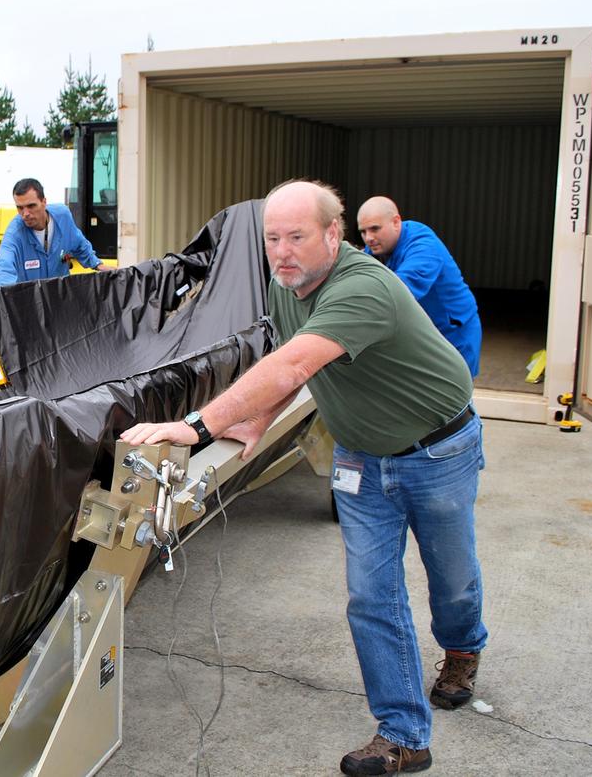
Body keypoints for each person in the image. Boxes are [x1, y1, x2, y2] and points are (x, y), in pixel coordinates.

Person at [122, 181, 486, 776]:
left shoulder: (362, 286)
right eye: (272, 239)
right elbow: (293, 362)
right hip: (362, 455)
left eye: (297, 237)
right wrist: (255, 420)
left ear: (333, 235)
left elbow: (292, 362)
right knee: (372, 593)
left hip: (436, 450)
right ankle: (403, 735)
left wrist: (199, 425)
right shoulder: (287, 286)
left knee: (451, 578)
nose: (282, 251)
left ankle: (463, 646)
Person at [356, 196, 481, 377]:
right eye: (363, 231)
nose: (369, 238)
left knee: (454, 399)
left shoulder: (424, 247)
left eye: (375, 228)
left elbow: (397, 291)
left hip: (453, 334)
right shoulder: (376, 249)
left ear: (396, 222)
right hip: (422, 335)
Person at [0, 177, 111, 287]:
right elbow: (4, 266)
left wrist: (98, 265)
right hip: (32, 303)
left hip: (60, 298)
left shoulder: (63, 216)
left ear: (44, 202)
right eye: (20, 208)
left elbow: (79, 244)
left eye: (31, 206)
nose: (25, 214)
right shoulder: (15, 233)